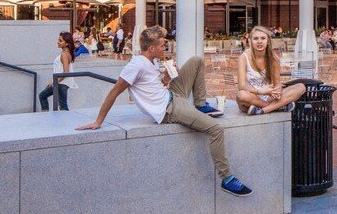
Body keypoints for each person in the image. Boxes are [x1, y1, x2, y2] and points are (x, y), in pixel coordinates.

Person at [76, 26, 253, 198]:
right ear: (151, 48)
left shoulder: (151, 61)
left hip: (172, 94)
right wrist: (98, 121)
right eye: (162, 45)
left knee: (197, 61)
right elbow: (114, 92)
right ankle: (227, 179)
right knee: (216, 129)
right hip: (169, 109)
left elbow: (154, 87)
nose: (165, 48)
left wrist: (167, 79)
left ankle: (200, 104)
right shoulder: (135, 65)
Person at [237, 26, 305, 115]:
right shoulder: (244, 57)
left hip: (268, 96)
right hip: (251, 99)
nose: (259, 41)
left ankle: (263, 110)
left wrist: (277, 92)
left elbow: (277, 84)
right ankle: (278, 107)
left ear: (268, 41)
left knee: (301, 87)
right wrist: (260, 91)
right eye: (256, 38)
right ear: (250, 41)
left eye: (263, 38)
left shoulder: (274, 58)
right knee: (241, 95)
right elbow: (241, 86)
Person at [39, 31, 78, 111]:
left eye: (60, 41)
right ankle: (63, 121)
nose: (58, 42)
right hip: (61, 82)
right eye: (58, 40)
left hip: (61, 83)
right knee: (63, 105)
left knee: (43, 96)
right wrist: (52, 81)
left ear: (66, 43)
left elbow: (66, 72)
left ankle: (45, 115)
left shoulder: (64, 55)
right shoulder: (66, 54)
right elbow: (58, 69)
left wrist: (55, 82)